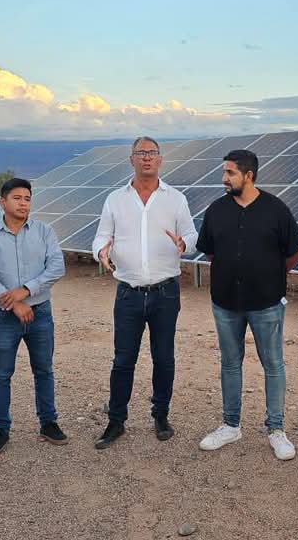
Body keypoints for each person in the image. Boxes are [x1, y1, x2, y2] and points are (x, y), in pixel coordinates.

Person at [91, 136, 198, 449]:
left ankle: (161, 415)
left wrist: (184, 243)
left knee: (163, 358)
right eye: (141, 153)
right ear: (131, 159)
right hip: (128, 293)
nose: (147, 158)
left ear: (160, 159)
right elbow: (101, 236)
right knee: (123, 359)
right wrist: (101, 251)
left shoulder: (176, 199)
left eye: (152, 153)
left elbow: (191, 234)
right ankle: (116, 421)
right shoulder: (115, 199)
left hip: (166, 292)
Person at [196, 150, 298, 461]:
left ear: (248, 175)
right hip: (225, 301)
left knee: (273, 364)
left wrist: (268, 275)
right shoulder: (216, 210)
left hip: (266, 303)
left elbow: (294, 253)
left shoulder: (276, 210)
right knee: (230, 363)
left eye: (230, 173)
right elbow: (211, 252)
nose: (224, 178)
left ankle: (276, 430)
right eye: (224, 172)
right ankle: (230, 426)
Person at [0, 178, 68, 458]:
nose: (23, 203)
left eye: (27, 198)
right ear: (2, 202)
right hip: (3, 315)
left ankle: (48, 422)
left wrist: (26, 291)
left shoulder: (44, 231)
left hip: (40, 312)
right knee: (1, 373)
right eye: (17, 198)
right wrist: (14, 303)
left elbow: (56, 267)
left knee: (44, 369)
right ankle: (0, 429)